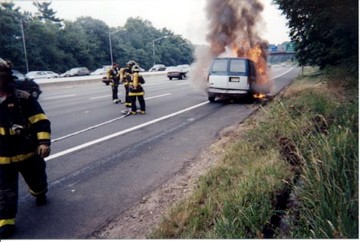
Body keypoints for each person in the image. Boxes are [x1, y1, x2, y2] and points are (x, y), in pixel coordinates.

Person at [0, 58, 51, 239]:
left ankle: (40, 192)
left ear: (5, 77)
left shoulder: (23, 98)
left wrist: (44, 143)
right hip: (2, 158)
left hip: (27, 152)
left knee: (37, 181)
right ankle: (6, 221)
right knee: (5, 190)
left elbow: (41, 121)